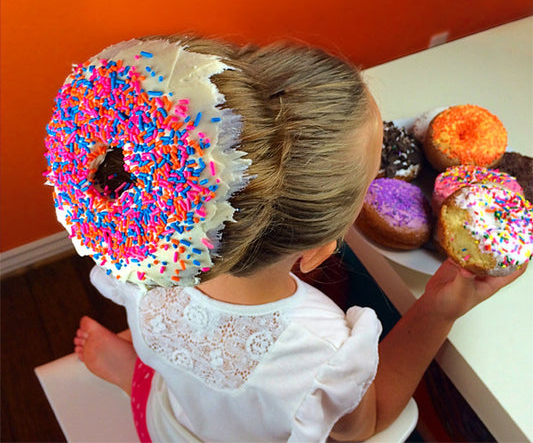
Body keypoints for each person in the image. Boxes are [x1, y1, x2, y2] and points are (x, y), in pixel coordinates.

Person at [72, 37, 524, 442]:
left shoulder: (137, 242)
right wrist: (436, 310)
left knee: (175, 379)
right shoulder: (317, 347)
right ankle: (136, 368)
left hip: (165, 423)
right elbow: (366, 425)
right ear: (319, 249)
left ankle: (133, 370)